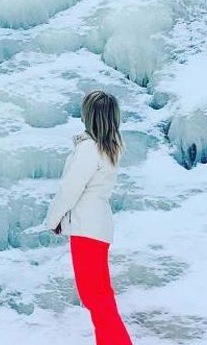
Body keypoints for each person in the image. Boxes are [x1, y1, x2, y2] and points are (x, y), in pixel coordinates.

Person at [43, 90, 132, 345]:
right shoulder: (108, 147)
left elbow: (70, 189)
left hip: (86, 228)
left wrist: (54, 220)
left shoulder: (89, 149)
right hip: (98, 227)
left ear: (89, 116)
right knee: (99, 296)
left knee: (96, 297)